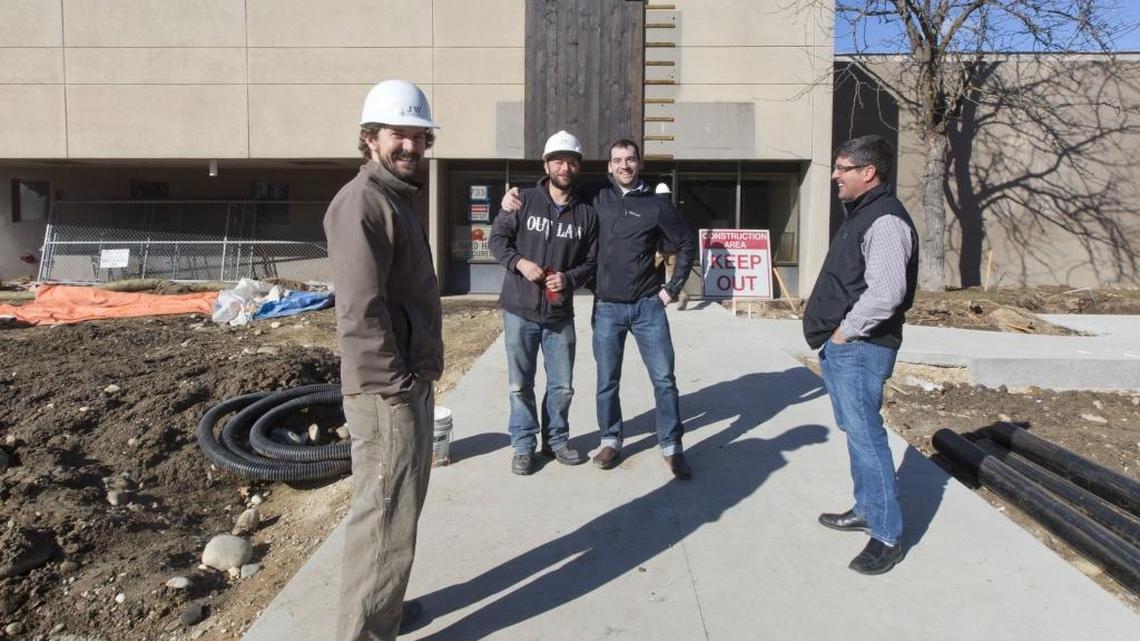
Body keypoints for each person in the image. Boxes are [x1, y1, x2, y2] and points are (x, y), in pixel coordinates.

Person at [323, 79, 442, 640]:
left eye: (420, 136)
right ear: (371, 138)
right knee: (383, 515)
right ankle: (363, 632)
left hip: (406, 380)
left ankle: (385, 611)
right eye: (399, 134)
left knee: (401, 509)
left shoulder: (395, 197)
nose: (411, 147)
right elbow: (360, 309)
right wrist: (394, 384)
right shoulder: (362, 204)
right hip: (385, 389)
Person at [502, 138, 695, 480]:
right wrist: (510, 199)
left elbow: (685, 242)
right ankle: (610, 439)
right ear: (608, 167)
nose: (624, 165)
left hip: (648, 306)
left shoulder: (657, 204)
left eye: (630, 160)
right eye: (617, 160)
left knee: (664, 379)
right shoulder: (593, 197)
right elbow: (552, 195)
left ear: (640, 164)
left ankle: (671, 446)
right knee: (607, 381)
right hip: (606, 307)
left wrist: (671, 290)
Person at [802, 134, 919, 575]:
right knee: (856, 432)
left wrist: (843, 334)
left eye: (842, 168)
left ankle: (887, 534)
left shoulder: (886, 221)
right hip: (849, 348)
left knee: (867, 437)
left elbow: (887, 294)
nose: (835, 175)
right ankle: (867, 507)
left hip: (861, 348)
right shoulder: (864, 214)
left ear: (868, 172)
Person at [489, 130, 599, 476]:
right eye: (558, 160)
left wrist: (569, 279)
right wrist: (521, 263)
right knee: (520, 384)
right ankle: (523, 446)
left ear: (577, 166)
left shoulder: (587, 215)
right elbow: (497, 240)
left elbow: (592, 263)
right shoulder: (522, 200)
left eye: (571, 161)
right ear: (546, 164)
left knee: (562, 385)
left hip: (558, 314)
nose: (564, 167)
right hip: (519, 311)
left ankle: (556, 440)